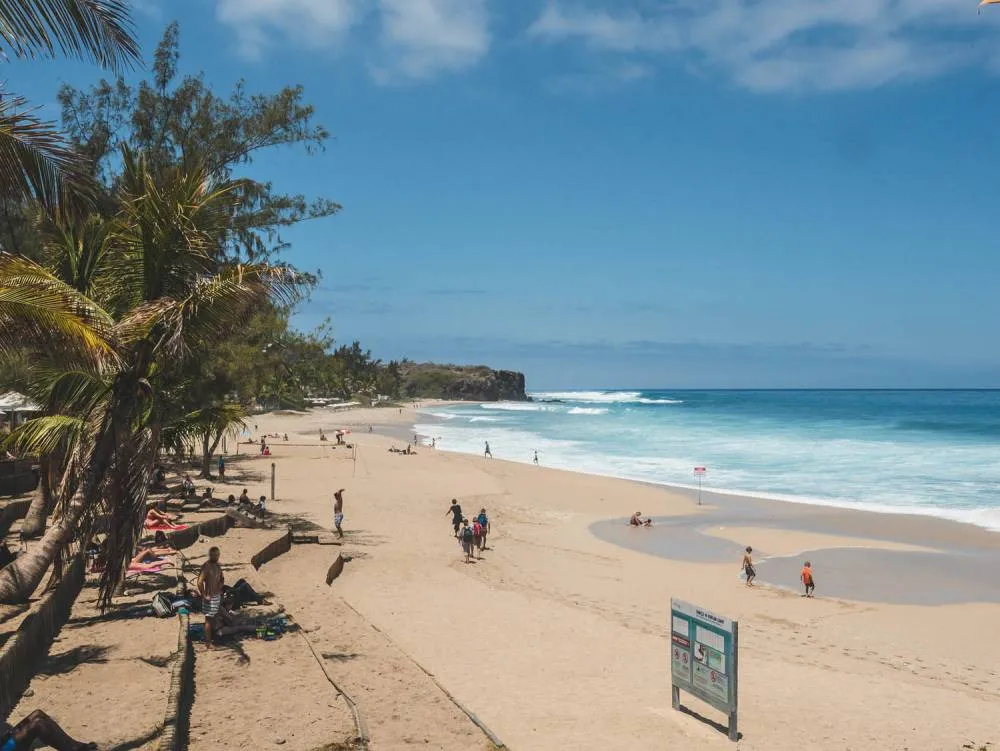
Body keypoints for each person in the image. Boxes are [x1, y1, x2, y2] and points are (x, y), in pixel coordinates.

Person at [0, 710, 97, 751]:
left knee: (38, 713)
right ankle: (72, 749)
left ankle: (74, 745)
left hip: (4, 741)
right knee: (38, 724)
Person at [197, 546, 224, 648]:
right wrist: (204, 595)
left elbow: (221, 578)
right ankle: (208, 642)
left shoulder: (217, 566)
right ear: (210, 555)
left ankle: (212, 639)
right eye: (214, 555)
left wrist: (220, 587)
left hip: (216, 595)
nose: (216, 557)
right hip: (209, 596)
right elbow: (199, 582)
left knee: (214, 618)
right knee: (208, 619)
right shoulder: (206, 566)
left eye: (217, 555)